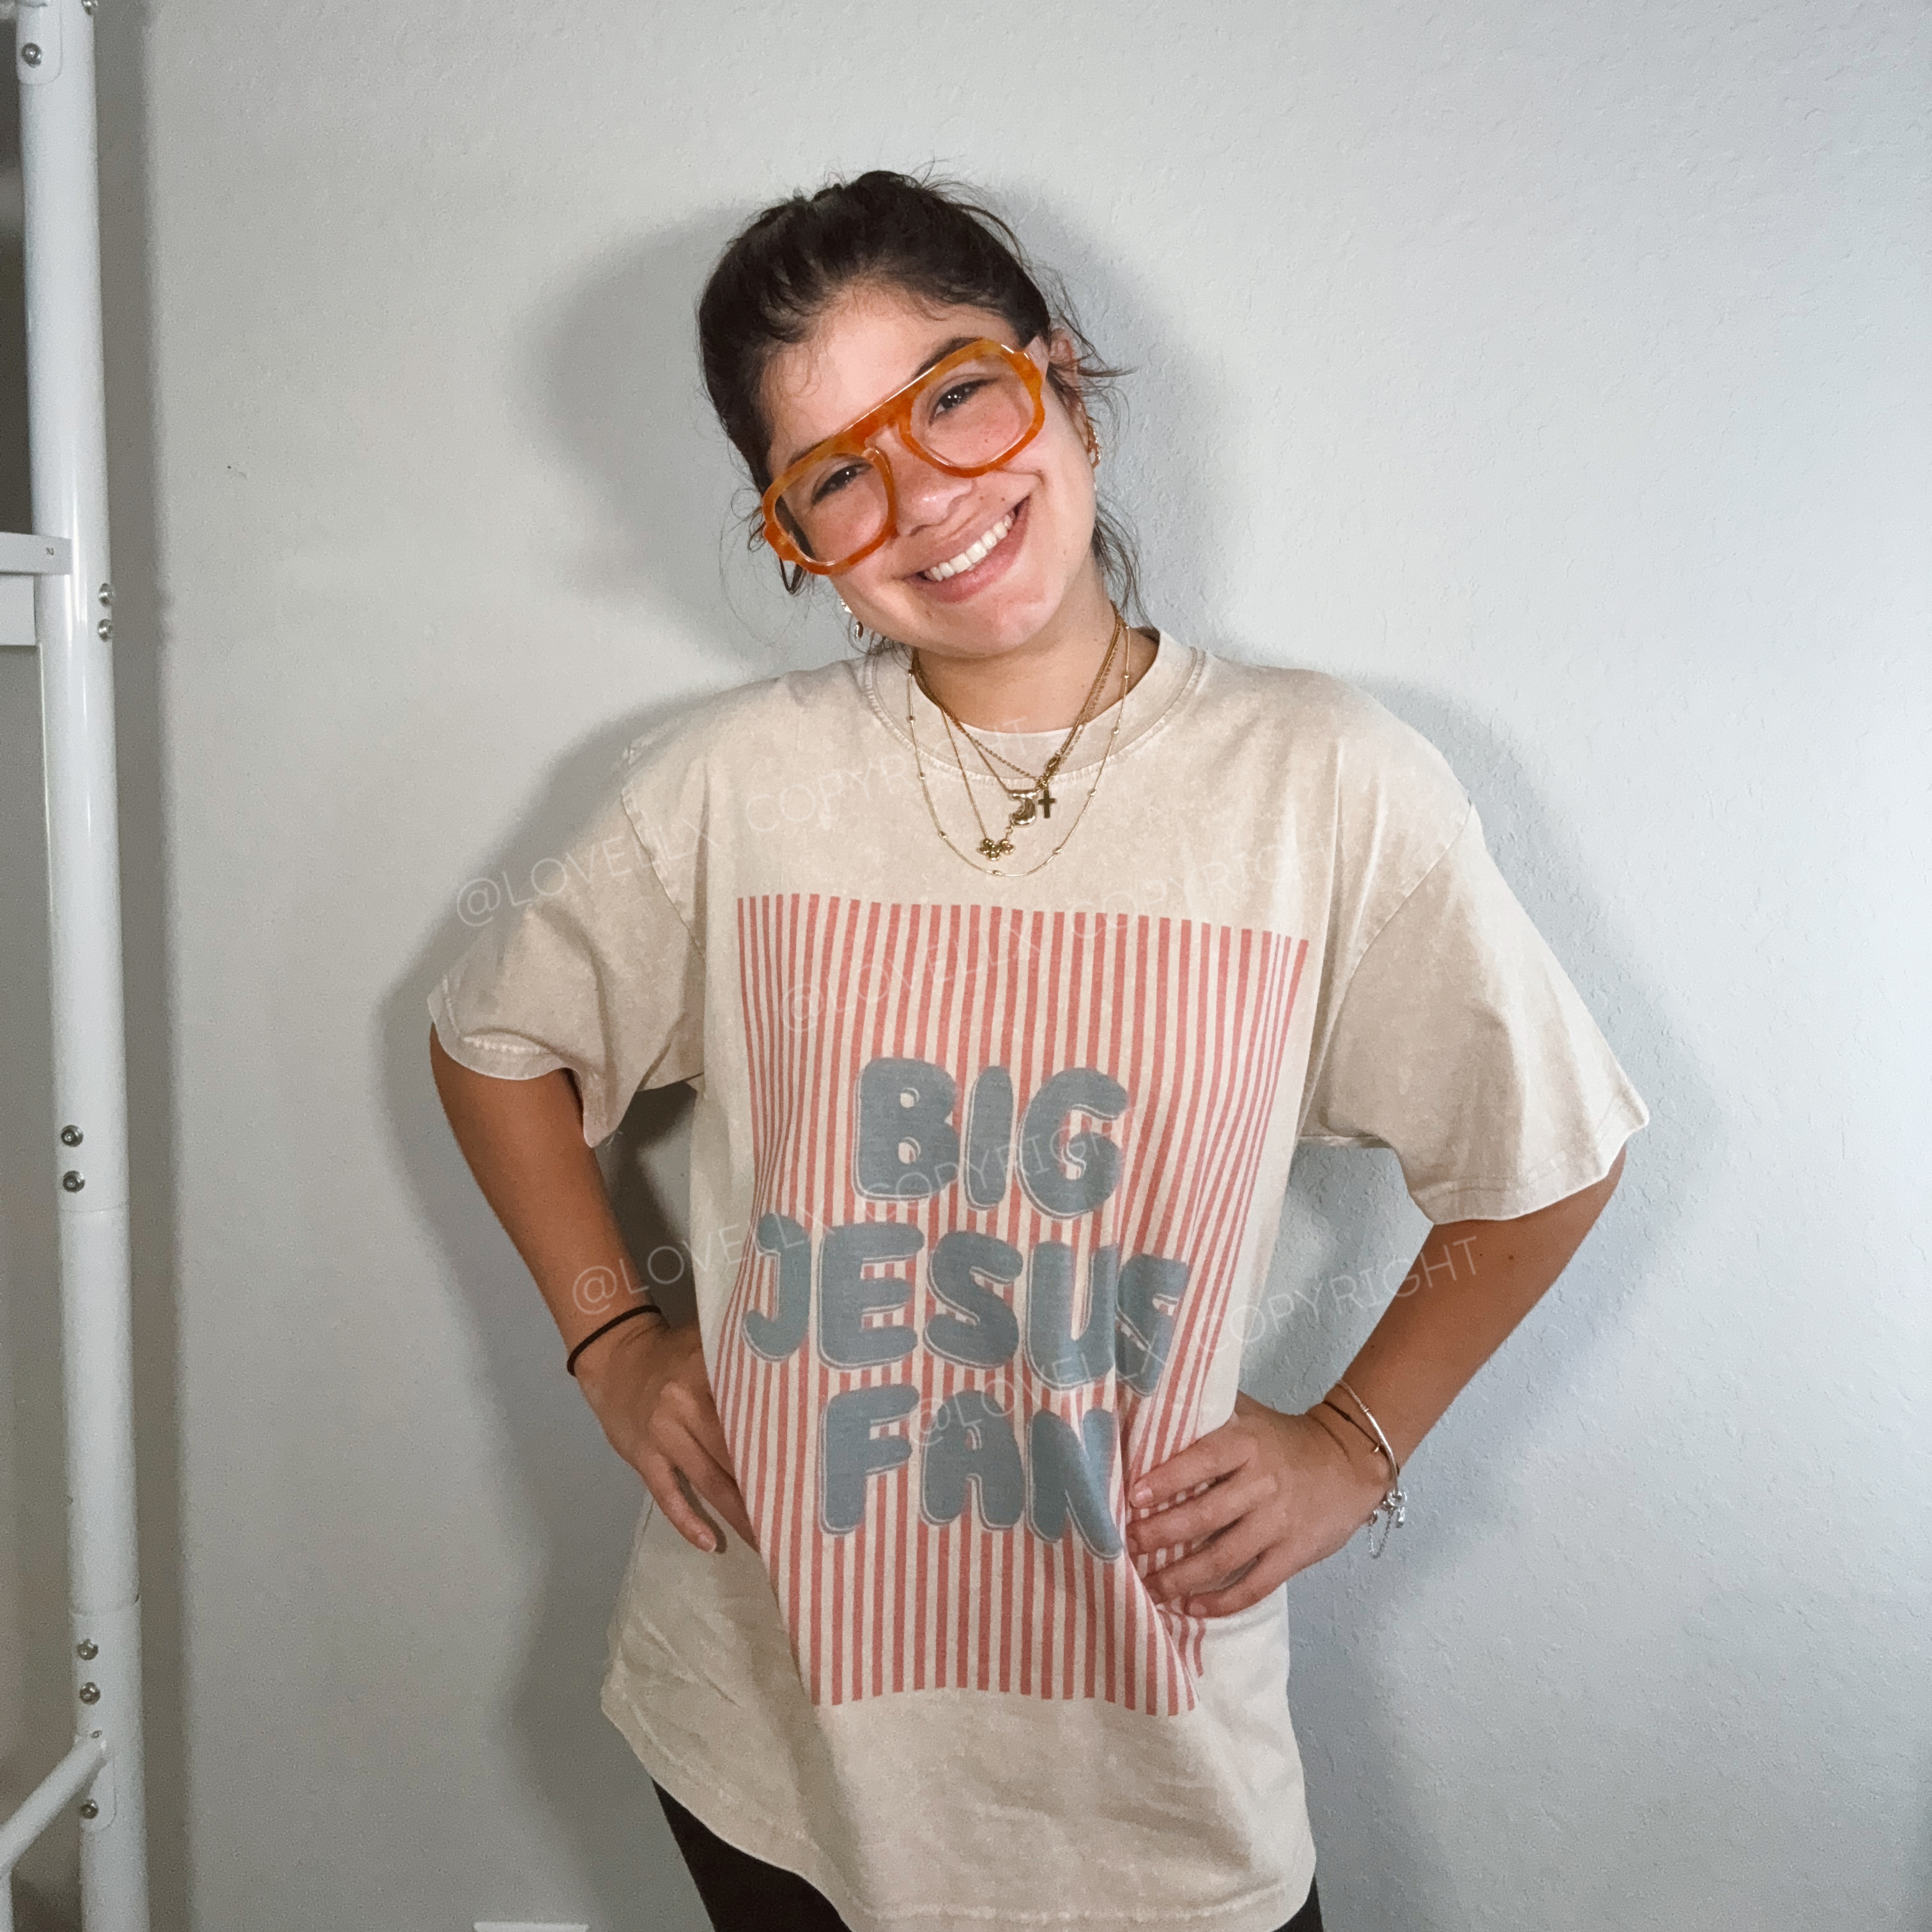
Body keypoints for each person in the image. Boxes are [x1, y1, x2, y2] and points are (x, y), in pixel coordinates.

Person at [426, 169, 1649, 1932]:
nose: (927, 499)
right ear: (792, 533)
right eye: (836, 475)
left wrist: (1356, 1442)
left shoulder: (1324, 782)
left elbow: (1547, 1158)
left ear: (1059, 374)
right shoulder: (734, 785)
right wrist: (614, 1343)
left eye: (955, 396)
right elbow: (493, 1045)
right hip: (767, 1727)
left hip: (1150, 1760)